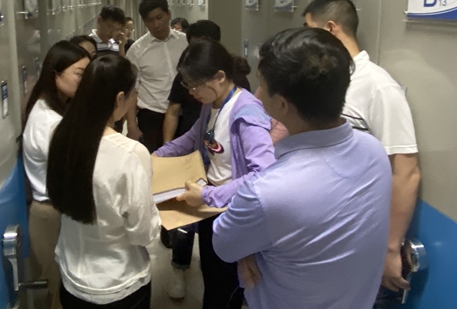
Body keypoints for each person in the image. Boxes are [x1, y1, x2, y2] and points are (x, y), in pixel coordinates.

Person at [212, 28, 392, 309]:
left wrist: (248, 251)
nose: (256, 94)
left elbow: (225, 245)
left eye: (262, 85)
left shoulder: (266, 193)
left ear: (283, 104)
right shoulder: (374, 152)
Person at [302, 0, 421, 299]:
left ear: (331, 29)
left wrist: (391, 247)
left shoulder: (378, 86)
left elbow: (406, 172)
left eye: (310, 30)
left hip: (357, 236)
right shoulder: (326, 81)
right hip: (322, 232)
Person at [154, 39, 275, 309]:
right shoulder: (212, 103)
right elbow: (194, 137)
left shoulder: (247, 113)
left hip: (233, 211)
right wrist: (155, 157)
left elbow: (265, 174)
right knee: (212, 276)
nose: (191, 92)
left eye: (195, 85)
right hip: (211, 207)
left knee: (226, 287)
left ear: (220, 77)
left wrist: (209, 195)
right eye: (187, 85)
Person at [47, 54, 160, 309]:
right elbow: (141, 233)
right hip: (119, 281)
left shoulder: (60, 134)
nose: (134, 100)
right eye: (133, 95)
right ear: (119, 99)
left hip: (72, 277)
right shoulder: (131, 153)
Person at [22, 41, 91, 309]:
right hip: (50, 214)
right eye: (79, 73)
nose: (85, 81)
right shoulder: (49, 122)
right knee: (59, 292)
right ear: (55, 74)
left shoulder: (55, 107)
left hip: (57, 210)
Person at [126, 0, 188, 152]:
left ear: (169, 14)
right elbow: (132, 91)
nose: (156, 24)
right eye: (150, 20)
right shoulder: (137, 50)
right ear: (144, 22)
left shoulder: (186, 42)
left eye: (159, 17)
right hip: (152, 116)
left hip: (186, 112)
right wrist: (132, 126)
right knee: (155, 160)